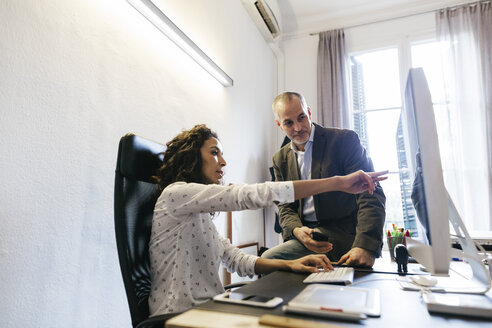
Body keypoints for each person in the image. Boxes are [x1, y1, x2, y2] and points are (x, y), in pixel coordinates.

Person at [148, 124, 387, 316]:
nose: (223, 161)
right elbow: (252, 195)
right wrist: (338, 182)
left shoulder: (199, 214)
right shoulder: (175, 194)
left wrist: (291, 264)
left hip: (210, 310)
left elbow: (237, 260)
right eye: (214, 152)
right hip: (178, 317)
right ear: (190, 157)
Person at [261, 92, 386, 267]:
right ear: (279, 125)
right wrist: (297, 230)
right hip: (306, 238)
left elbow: (371, 194)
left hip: (345, 236)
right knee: (269, 263)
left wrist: (366, 246)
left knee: (269, 260)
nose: (297, 128)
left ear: (309, 112)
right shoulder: (279, 159)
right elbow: (285, 207)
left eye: (301, 117)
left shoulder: (343, 141)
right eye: (288, 123)